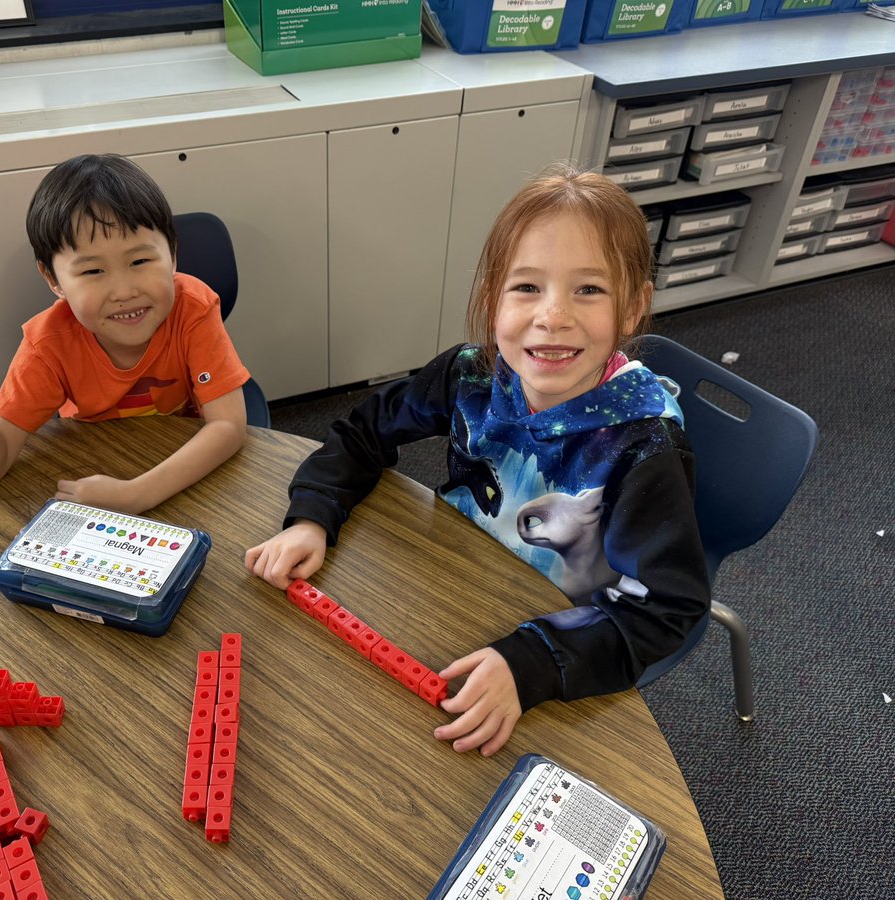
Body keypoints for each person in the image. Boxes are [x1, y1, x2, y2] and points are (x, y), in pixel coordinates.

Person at [245, 164, 709, 757]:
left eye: (588, 289)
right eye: (526, 287)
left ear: (632, 308)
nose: (553, 316)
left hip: (560, 646)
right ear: (492, 298)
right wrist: (312, 515)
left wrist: (533, 665)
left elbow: (666, 609)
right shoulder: (472, 373)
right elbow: (362, 432)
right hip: (451, 591)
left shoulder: (645, 446)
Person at [0, 154, 249, 514]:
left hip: (182, 467)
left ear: (173, 255)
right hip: (92, 468)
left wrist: (137, 494)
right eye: (93, 271)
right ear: (53, 280)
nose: (123, 291)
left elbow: (228, 425)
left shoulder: (193, 308)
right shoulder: (48, 345)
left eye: (139, 262)